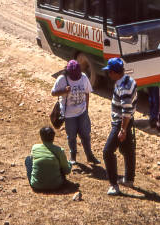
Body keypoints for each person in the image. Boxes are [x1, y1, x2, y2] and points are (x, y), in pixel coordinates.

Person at [51, 60, 99, 165]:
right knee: (71, 136)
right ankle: (73, 157)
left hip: (82, 113)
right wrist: (64, 91)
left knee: (86, 135)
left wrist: (86, 109)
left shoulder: (83, 77)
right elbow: (53, 93)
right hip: (69, 115)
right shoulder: (62, 79)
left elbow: (87, 93)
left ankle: (89, 156)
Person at [102, 58, 138, 196]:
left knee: (107, 152)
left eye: (110, 72)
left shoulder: (123, 88)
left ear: (115, 73)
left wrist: (122, 129)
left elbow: (126, 111)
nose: (109, 74)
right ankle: (129, 179)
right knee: (128, 151)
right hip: (128, 122)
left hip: (121, 123)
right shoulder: (129, 79)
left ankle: (113, 185)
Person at [25, 126, 71, 191]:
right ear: (53, 137)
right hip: (56, 186)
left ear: (41, 137)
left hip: (36, 185)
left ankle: (37, 178)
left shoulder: (35, 147)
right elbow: (67, 171)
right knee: (60, 163)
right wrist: (69, 164)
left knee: (28, 159)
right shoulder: (59, 150)